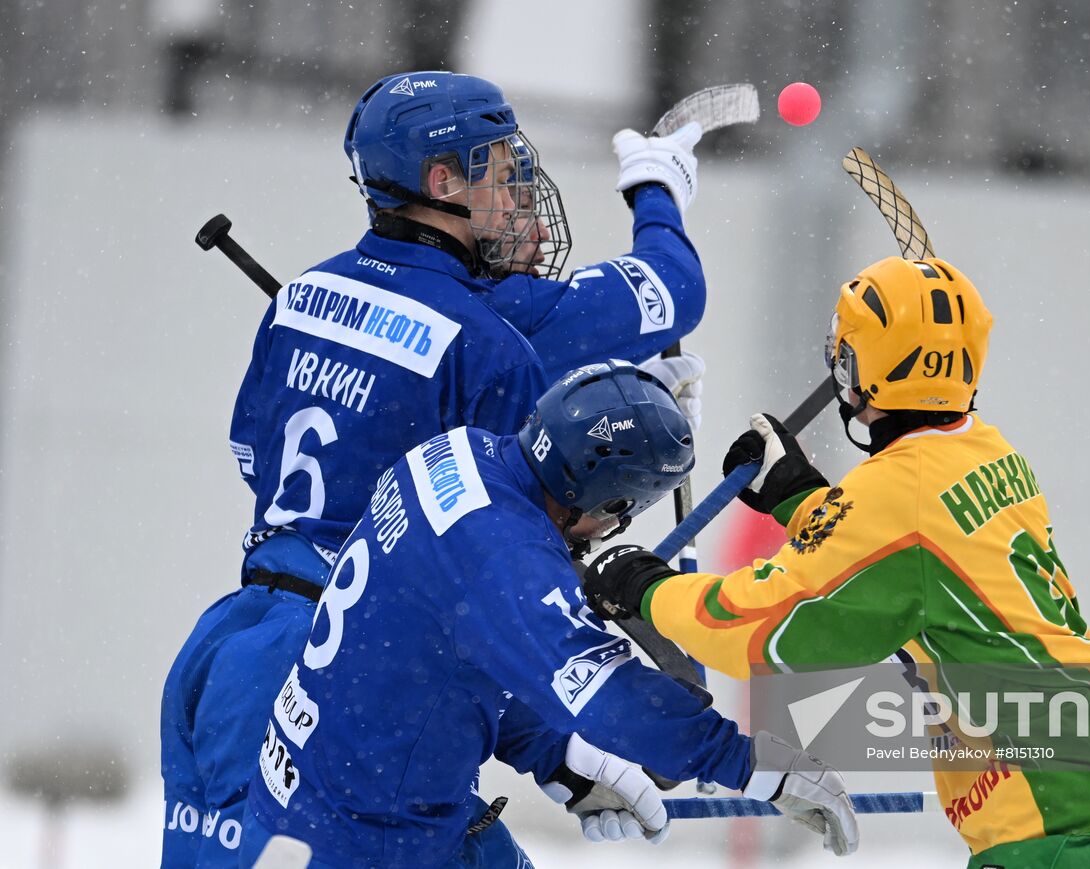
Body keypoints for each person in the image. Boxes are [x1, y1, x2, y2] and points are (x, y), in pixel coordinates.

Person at [161, 70, 706, 866]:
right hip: (348, 676)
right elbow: (501, 568)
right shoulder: (489, 340)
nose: (517, 192)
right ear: (442, 181)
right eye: (499, 169)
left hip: (231, 642)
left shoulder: (304, 294)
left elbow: (252, 454)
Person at [583, 256, 1090, 868]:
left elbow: (759, 629)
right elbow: (907, 555)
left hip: (1071, 821)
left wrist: (644, 585)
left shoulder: (895, 497)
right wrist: (799, 496)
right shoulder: (985, 451)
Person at [237, 361, 859, 867]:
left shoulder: (457, 451)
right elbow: (611, 698)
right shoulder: (506, 556)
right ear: (606, 497)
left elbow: (441, 654)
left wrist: (558, 756)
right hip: (373, 838)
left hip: (325, 791)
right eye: (624, 510)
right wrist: (755, 767)